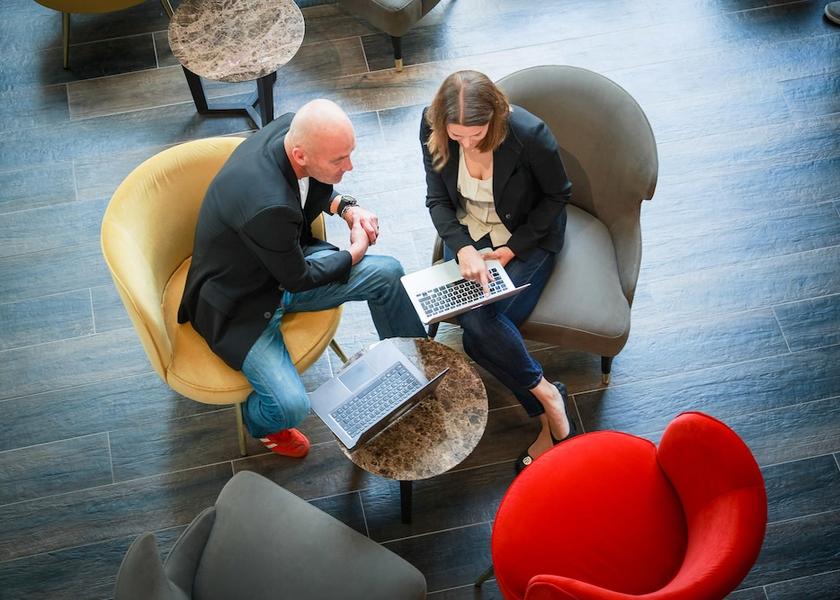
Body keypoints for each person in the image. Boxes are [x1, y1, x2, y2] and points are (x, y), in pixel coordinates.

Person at [179, 99, 427, 459]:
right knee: (290, 406)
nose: (350, 166)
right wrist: (354, 251)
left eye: (349, 154)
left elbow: (314, 185)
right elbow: (299, 278)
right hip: (243, 304)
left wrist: (348, 207)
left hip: (284, 260)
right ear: (300, 154)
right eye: (339, 160)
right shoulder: (269, 205)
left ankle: (413, 366)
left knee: (388, 273)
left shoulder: (292, 129)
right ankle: (258, 421)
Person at [420, 70, 575, 473]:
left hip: (526, 237)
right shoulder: (431, 125)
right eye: (457, 136)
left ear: (496, 116)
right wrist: (463, 248)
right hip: (472, 236)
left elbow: (558, 195)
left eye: (476, 134)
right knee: (479, 332)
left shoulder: (529, 135)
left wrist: (513, 249)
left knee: (477, 334)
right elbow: (437, 199)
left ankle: (547, 404)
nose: (467, 144)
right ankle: (548, 398)